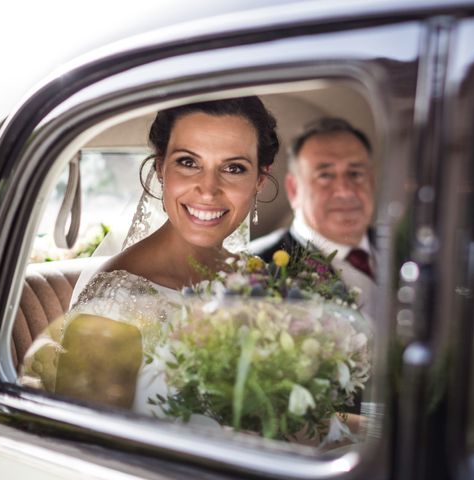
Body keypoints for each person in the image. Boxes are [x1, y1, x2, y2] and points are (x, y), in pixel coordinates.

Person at [20, 97, 279, 413]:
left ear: (260, 181)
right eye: (188, 162)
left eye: (233, 168)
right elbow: (87, 450)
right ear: (160, 169)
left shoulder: (254, 276)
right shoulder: (110, 307)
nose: (208, 189)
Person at [250, 117, 376, 316]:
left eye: (355, 173)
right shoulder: (259, 268)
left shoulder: (403, 248)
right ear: (293, 189)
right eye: (325, 175)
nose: (345, 191)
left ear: (372, 181)